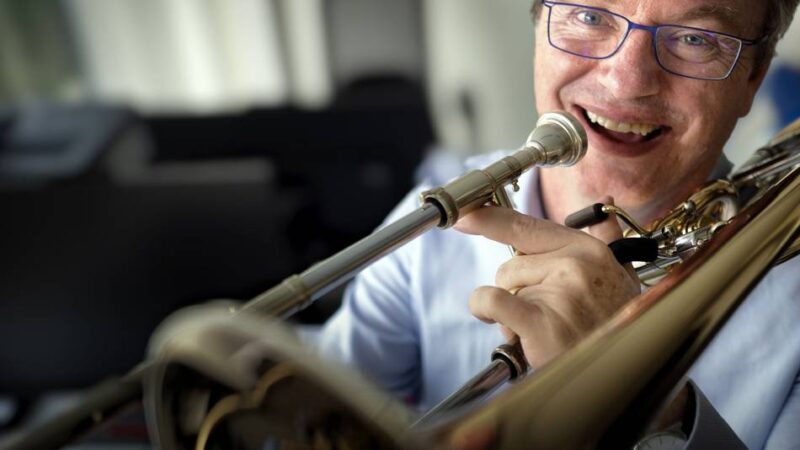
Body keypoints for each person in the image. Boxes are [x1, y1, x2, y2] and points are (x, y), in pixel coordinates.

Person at [314, 1, 800, 448]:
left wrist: (644, 400)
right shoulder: (426, 234)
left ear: (752, 80)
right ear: (538, 27)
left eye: (695, 39)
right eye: (589, 15)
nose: (625, 81)